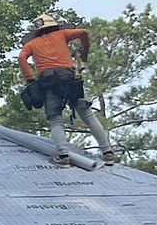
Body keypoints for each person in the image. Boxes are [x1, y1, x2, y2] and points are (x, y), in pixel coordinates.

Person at [19, 16, 119, 165]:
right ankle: (107, 152)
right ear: (54, 26)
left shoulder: (32, 44)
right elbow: (83, 32)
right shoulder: (62, 34)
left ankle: (63, 156)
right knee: (87, 115)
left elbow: (22, 57)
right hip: (71, 78)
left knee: (55, 119)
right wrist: (85, 51)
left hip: (49, 82)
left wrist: (30, 78)